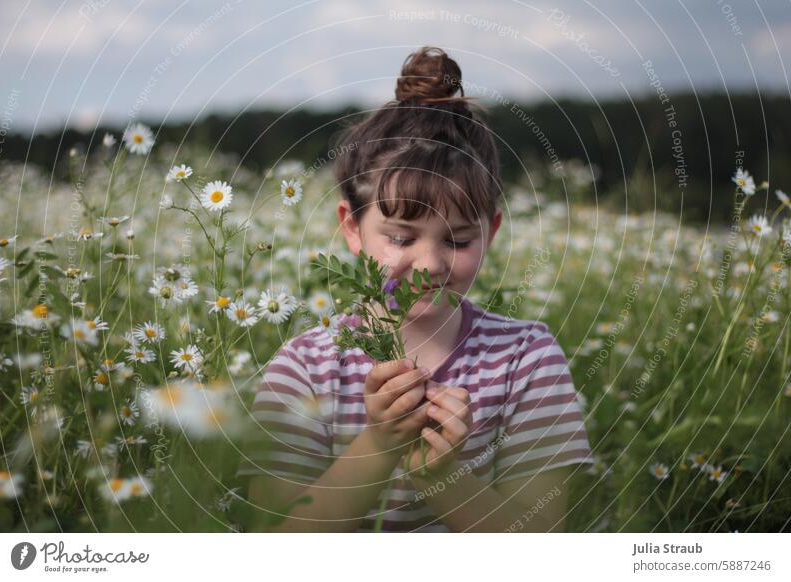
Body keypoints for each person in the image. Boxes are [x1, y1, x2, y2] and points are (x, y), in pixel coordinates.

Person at [237, 46, 594, 532]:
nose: (429, 265)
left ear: (491, 231)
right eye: (402, 237)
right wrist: (380, 445)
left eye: (458, 239)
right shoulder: (305, 368)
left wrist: (442, 476)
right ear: (351, 227)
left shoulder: (527, 359)